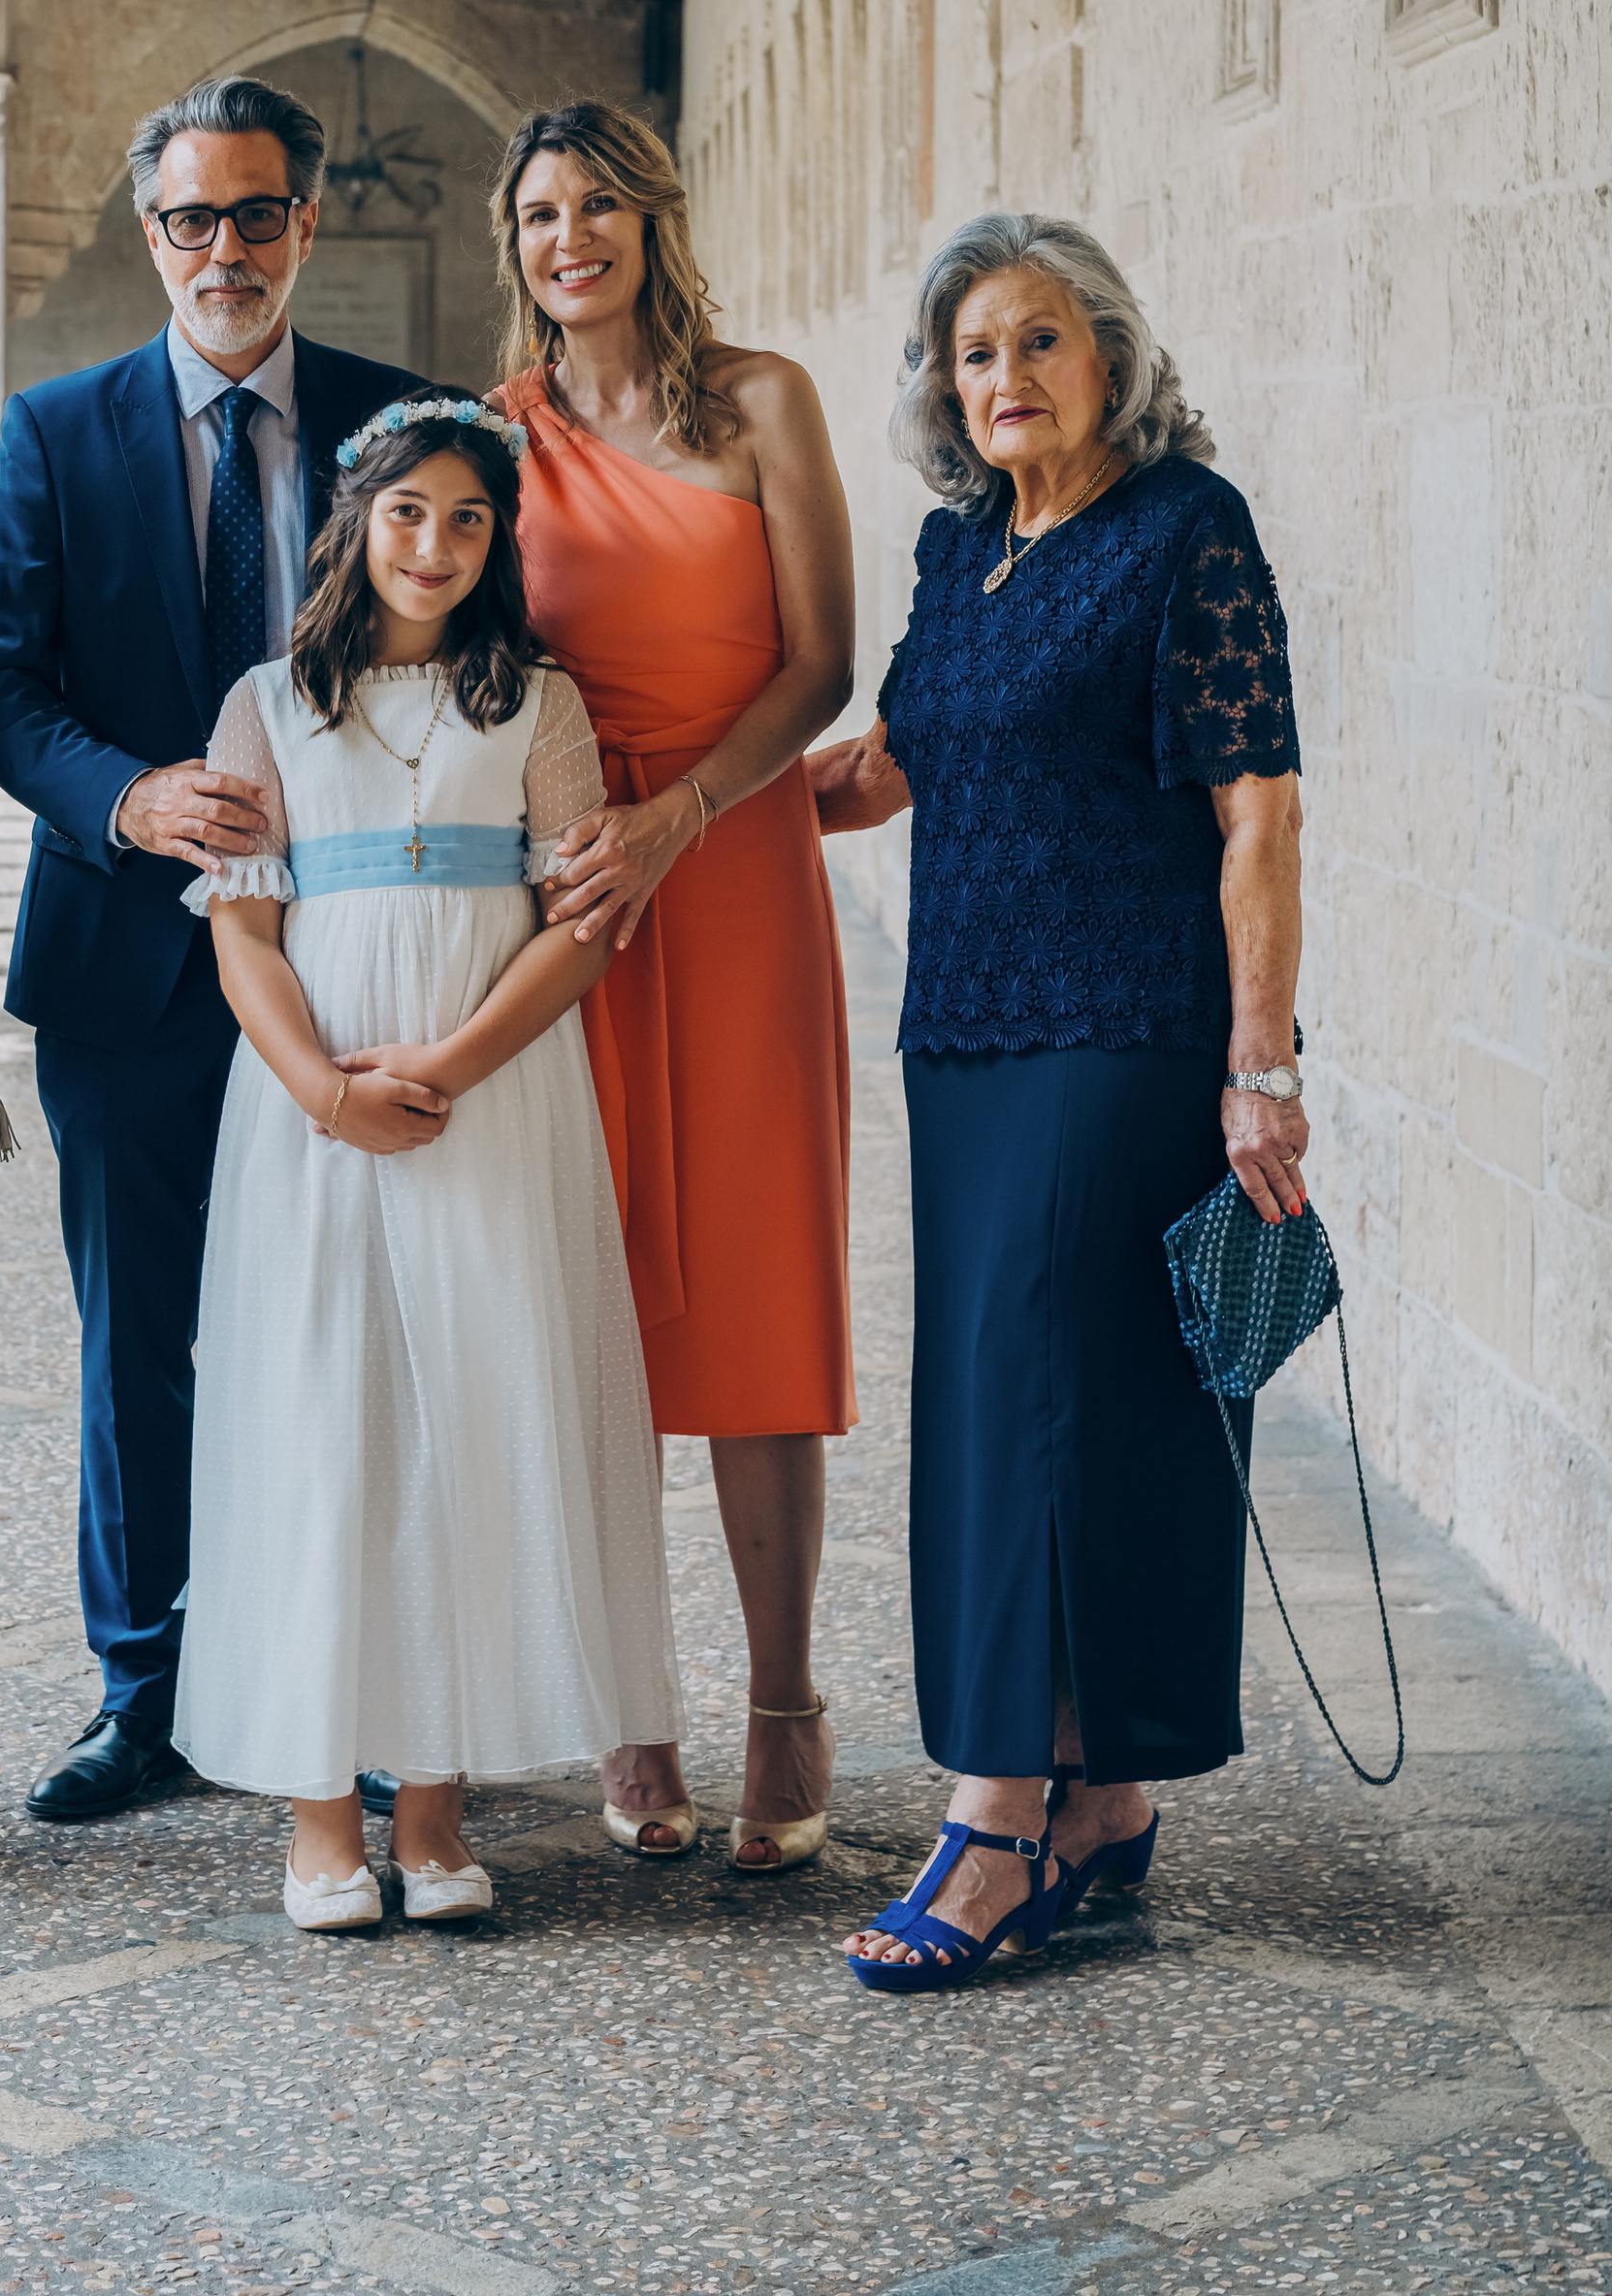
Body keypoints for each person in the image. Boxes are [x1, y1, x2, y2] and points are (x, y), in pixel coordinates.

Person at [809, 213, 1306, 1991]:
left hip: (1130, 1025)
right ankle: (1103, 1796)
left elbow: (1258, 810)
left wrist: (1262, 1066)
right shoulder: (961, 558)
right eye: (973, 354)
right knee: (1039, 1402)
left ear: (1108, 355)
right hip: (968, 1032)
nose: (1004, 379)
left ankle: (996, 1816)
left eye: (1038, 343)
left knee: (1037, 1394)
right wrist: (679, 814)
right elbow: (888, 765)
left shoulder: (1188, 531)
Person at [0, 78, 424, 1824]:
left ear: (309, 222)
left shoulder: (399, 428)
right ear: (150, 233)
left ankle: (358, 1683)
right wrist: (127, 797)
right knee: (137, 1340)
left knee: (349, 1329)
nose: (224, 250)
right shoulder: (53, 432)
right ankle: (142, 1690)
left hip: (357, 957)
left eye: (256, 214)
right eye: (189, 220)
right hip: (128, 966)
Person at [177, 402, 681, 1929]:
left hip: (494, 1104)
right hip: (313, 1117)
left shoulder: (536, 704)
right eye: (410, 514)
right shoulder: (269, 703)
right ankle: (321, 1814)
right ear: (355, 522)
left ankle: (438, 1804)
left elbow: (578, 925)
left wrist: (449, 1069)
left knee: (467, 1418)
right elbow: (244, 934)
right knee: (329, 1426)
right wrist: (328, 1091)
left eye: (470, 521)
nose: (438, 547)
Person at [488, 99, 857, 1874]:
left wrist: (684, 817)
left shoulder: (762, 400)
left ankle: (785, 1704)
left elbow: (820, 660)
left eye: (599, 206)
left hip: (736, 871)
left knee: (762, 1288)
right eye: (542, 214)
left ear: (654, 217)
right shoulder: (497, 440)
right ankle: (636, 1713)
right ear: (519, 247)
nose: (573, 238)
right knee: (600, 1303)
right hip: (572, 893)